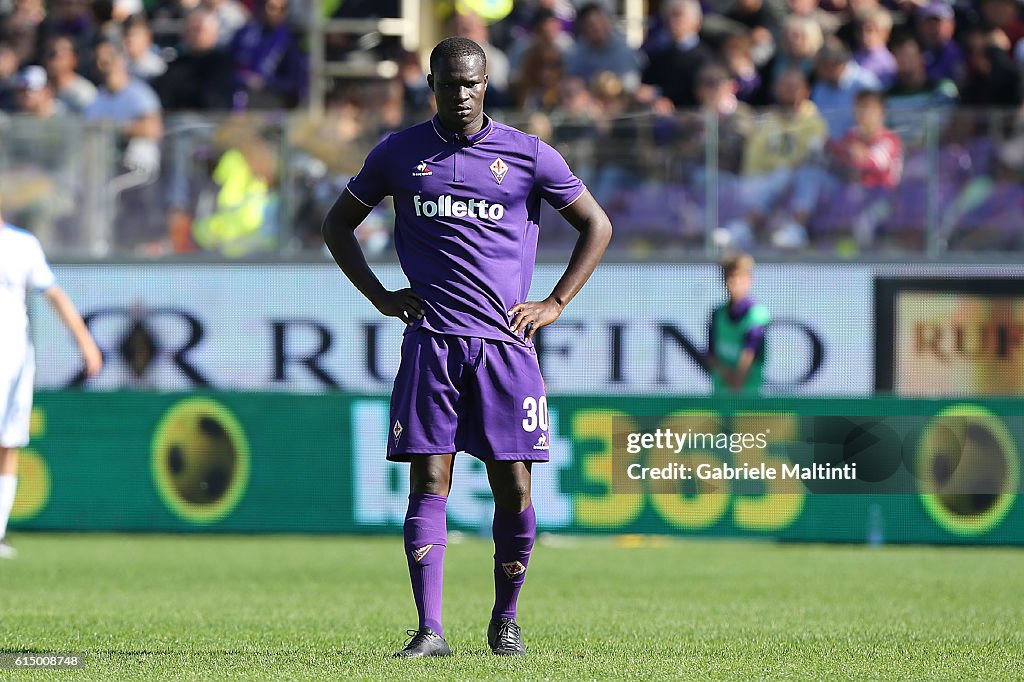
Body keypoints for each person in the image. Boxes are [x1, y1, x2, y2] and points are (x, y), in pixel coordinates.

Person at [321, 36, 612, 658]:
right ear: (431, 84)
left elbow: (597, 223)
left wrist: (555, 303)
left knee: (515, 488)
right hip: (432, 344)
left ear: (486, 85)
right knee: (430, 480)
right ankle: (430, 630)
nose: (461, 93)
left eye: (472, 83)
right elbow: (336, 224)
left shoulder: (528, 155)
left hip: (505, 348)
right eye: (449, 82)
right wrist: (380, 295)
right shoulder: (400, 153)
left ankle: (505, 621)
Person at [0, 197, 103, 558]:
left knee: (8, 440)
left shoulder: (22, 245)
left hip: (13, 357)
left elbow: (53, 293)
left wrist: (86, 342)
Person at [706, 253, 769, 394]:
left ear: (749, 280)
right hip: (720, 395)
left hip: (749, 396)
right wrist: (727, 376)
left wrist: (737, 380)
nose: (733, 282)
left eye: (738, 277)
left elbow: (750, 351)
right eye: (729, 277)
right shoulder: (717, 314)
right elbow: (711, 355)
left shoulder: (757, 314)